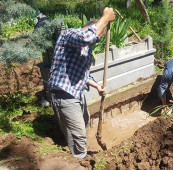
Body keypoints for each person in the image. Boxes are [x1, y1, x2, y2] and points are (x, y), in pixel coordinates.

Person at [48, 7, 115, 159]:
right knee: (78, 135)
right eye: (98, 35)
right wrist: (105, 18)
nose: (97, 39)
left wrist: (97, 86)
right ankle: (79, 160)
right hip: (63, 94)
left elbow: (84, 74)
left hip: (76, 92)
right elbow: (87, 38)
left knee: (84, 123)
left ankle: (73, 142)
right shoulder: (69, 35)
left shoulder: (86, 51)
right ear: (90, 28)